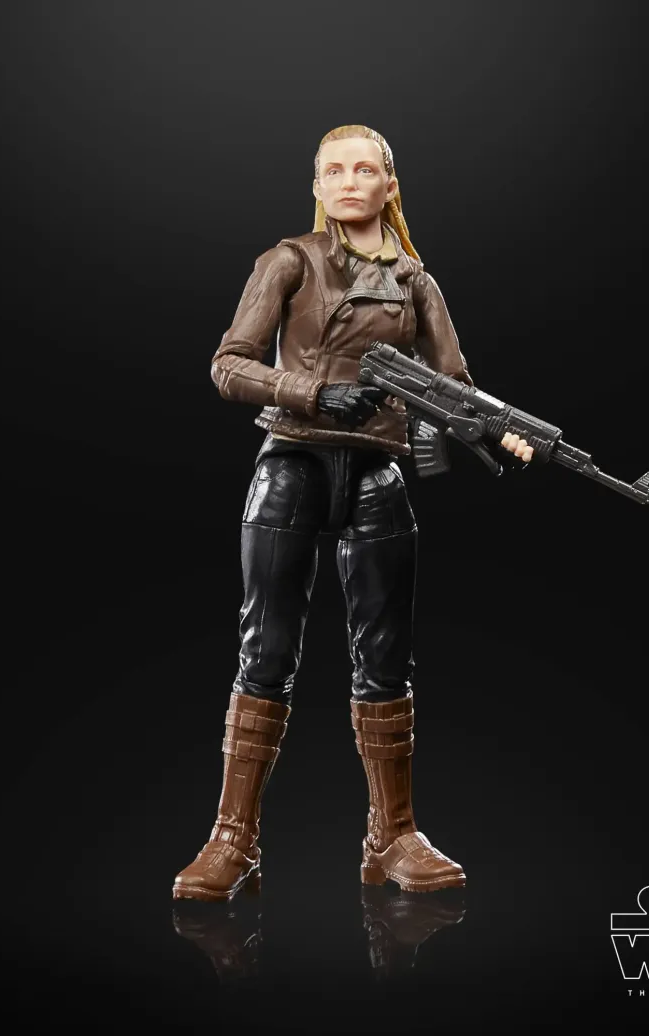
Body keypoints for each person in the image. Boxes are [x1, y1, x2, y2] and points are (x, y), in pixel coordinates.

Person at [172, 125, 532, 903]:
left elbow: (454, 383)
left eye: (364, 169)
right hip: (294, 460)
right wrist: (311, 392)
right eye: (332, 170)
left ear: (389, 185)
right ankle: (233, 838)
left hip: (376, 469)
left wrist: (496, 432)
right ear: (316, 184)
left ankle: (392, 835)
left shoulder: (416, 282)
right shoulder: (289, 262)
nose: (348, 181)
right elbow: (229, 365)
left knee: (387, 657)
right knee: (266, 649)